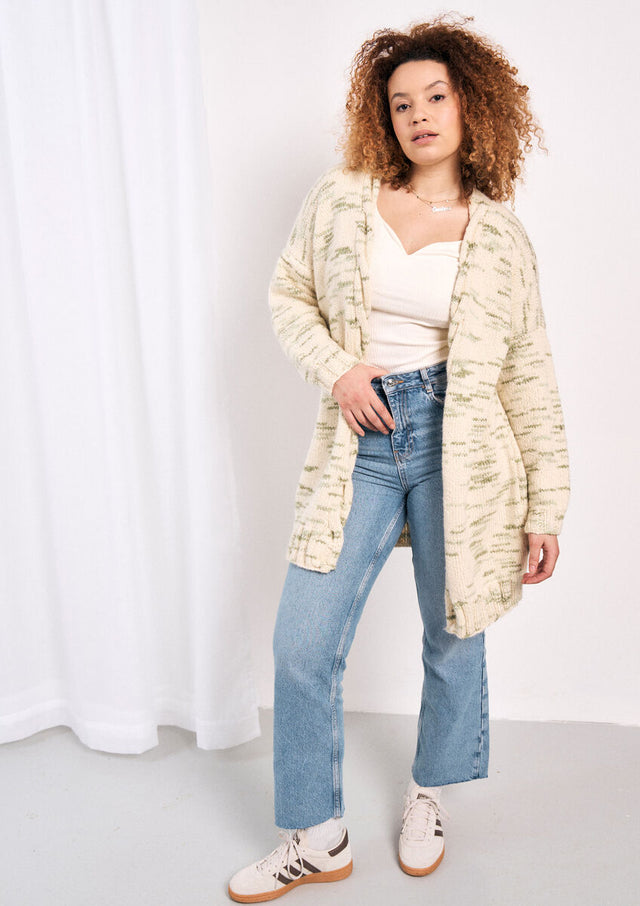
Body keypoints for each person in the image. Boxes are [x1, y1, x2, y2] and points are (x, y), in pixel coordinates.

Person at [228, 12, 570, 903]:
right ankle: (317, 834)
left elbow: (529, 376)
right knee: (302, 641)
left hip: (464, 447)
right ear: (383, 117)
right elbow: (288, 295)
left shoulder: (502, 238)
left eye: (436, 97)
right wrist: (340, 369)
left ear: (471, 105)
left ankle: (429, 794)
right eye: (401, 103)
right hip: (364, 439)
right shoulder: (343, 198)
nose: (419, 115)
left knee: (454, 630)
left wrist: (545, 508)